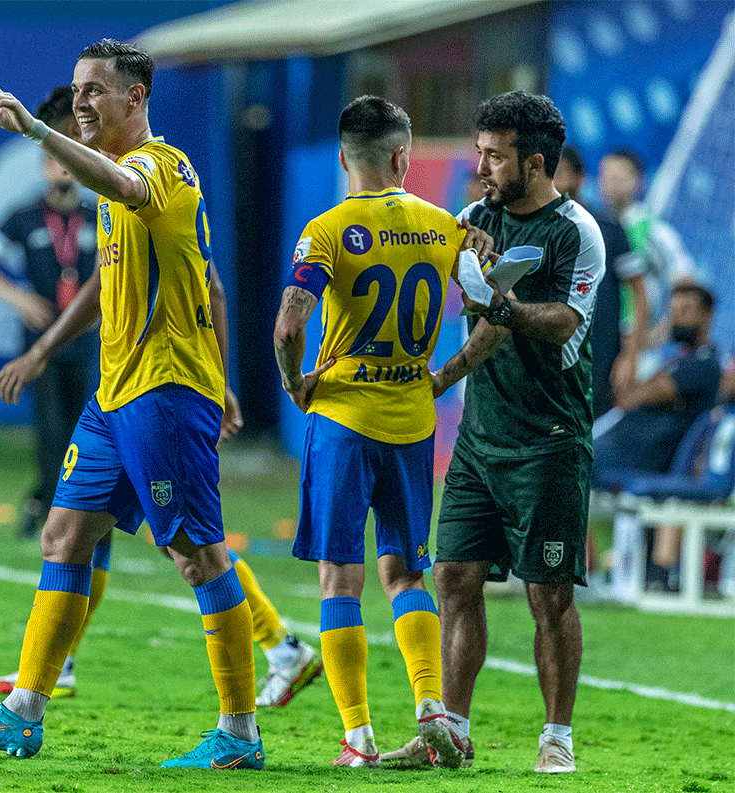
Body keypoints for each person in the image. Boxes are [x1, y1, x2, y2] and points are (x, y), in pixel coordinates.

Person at [0, 39, 265, 769]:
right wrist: (47, 348)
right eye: (75, 92)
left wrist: (36, 130)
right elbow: (103, 286)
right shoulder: (109, 191)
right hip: (114, 397)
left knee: (200, 556)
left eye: (94, 92)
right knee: (62, 536)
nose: (80, 103)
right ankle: (23, 710)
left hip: (165, 394)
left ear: (135, 99)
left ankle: (240, 731)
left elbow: (135, 195)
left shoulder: (160, 169)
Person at [385, 92, 605, 775]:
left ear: (534, 162)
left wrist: (505, 304)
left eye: (494, 154)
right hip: (481, 439)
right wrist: (439, 379)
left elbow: (566, 322)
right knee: (452, 574)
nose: (479, 164)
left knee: (549, 592)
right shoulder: (475, 219)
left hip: (550, 438)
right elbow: (485, 329)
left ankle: (557, 737)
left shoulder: (577, 233)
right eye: (478, 150)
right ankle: (449, 731)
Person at [273, 96, 493, 769]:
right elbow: (494, 319)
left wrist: (294, 381)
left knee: (342, 576)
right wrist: (444, 374)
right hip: (412, 419)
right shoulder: (448, 228)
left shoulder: (328, 228)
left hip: (342, 418)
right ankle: (430, 703)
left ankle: (358, 736)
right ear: (403, 157)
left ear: (345, 159)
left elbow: (289, 323)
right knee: (405, 569)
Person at [0, 86, 98, 539]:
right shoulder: (25, 217)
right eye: (55, 160)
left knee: (83, 432)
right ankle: (49, 506)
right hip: (39, 338)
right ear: (43, 165)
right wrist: (16, 298)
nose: (62, 169)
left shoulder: (97, 215)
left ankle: (49, 503)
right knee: (50, 431)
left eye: (69, 159)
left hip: (84, 337)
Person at [0, 546, 323, 708]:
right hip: (120, 406)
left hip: (152, 407)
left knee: (183, 537)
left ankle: (283, 648)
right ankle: (59, 665)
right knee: (83, 526)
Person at [594, 283, 722, 591]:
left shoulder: (704, 365)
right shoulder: (676, 360)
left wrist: (637, 350)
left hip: (645, 459)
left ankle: (583, 571)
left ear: (707, 316)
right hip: (620, 450)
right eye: (673, 312)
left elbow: (629, 398)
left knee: (566, 462)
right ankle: (582, 570)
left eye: (686, 312)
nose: (677, 319)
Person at [554, 145, 647, 417]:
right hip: (554, 365)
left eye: (559, 173)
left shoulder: (607, 226)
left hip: (600, 363)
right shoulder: (541, 230)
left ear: (579, 178)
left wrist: (630, 356)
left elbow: (639, 293)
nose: (552, 183)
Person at [598, 148, 697, 347]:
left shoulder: (653, 230)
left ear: (638, 181)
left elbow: (685, 278)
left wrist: (662, 330)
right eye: (606, 176)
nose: (611, 183)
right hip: (600, 341)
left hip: (636, 346)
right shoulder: (593, 226)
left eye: (619, 176)